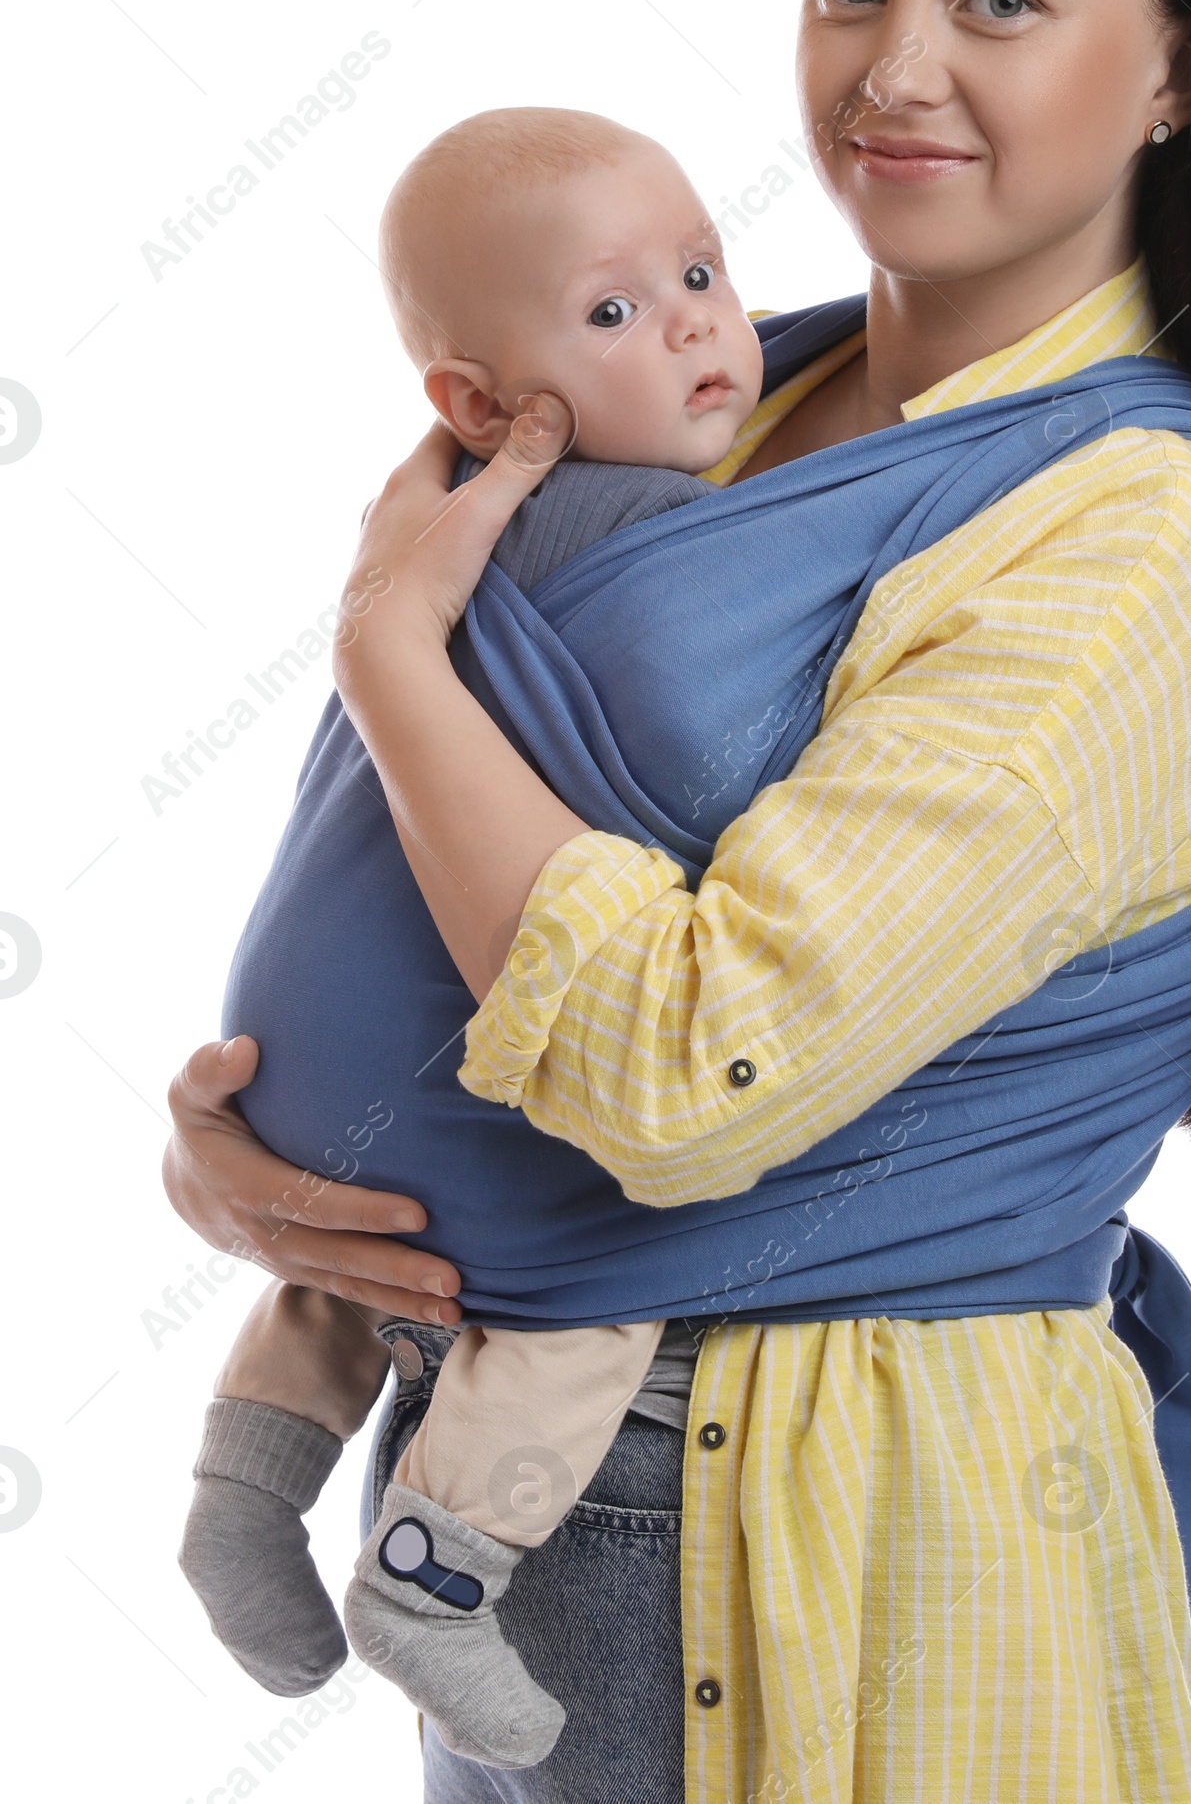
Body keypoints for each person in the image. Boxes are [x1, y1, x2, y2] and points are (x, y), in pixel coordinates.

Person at [164, 0, 1191, 1804]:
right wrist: (275, 1163)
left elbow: (681, 1068)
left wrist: (386, 640)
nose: (890, 68)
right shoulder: (727, 396)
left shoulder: (1146, 544)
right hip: (513, 1470)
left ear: (1177, 66)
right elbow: (410, 875)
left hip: (833, 1526)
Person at [178, 104, 768, 1769]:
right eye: (611, 310)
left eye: (704, 270)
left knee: (350, 1264)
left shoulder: (429, 532)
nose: (695, 324)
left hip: (291, 1048)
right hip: (461, 1067)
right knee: (578, 1278)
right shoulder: (666, 543)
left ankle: (244, 1492)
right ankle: (439, 1577)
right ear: (479, 405)